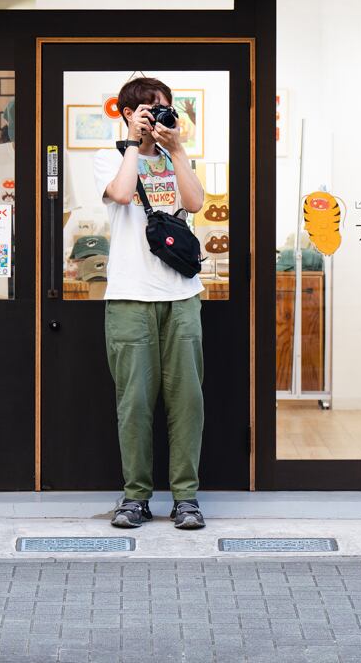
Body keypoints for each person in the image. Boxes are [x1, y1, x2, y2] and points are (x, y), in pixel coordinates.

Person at [91, 76, 207, 530]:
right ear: (127, 113)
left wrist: (176, 150)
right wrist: (133, 144)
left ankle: (186, 498)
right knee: (134, 402)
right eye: (148, 109)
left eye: (163, 109)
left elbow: (194, 203)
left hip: (181, 296)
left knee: (187, 401)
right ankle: (135, 497)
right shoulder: (110, 157)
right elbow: (121, 195)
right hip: (129, 297)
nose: (158, 116)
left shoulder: (178, 156)